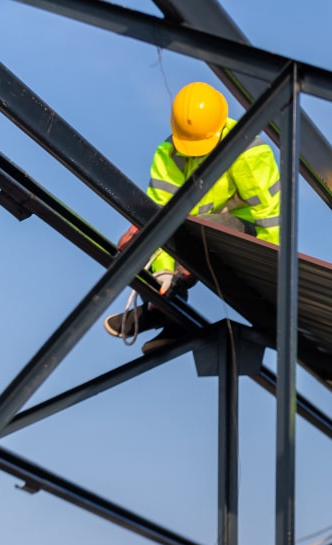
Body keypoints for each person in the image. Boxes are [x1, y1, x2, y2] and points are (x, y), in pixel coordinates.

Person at [104, 81, 282, 352]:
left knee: (190, 231)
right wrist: (162, 270)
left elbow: (269, 217)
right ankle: (165, 308)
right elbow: (157, 216)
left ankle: (165, 306)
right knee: (134, 240)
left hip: (243, 229)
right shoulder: (169, 153)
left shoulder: (250, 152)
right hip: (189, 230)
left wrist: (269, 278)